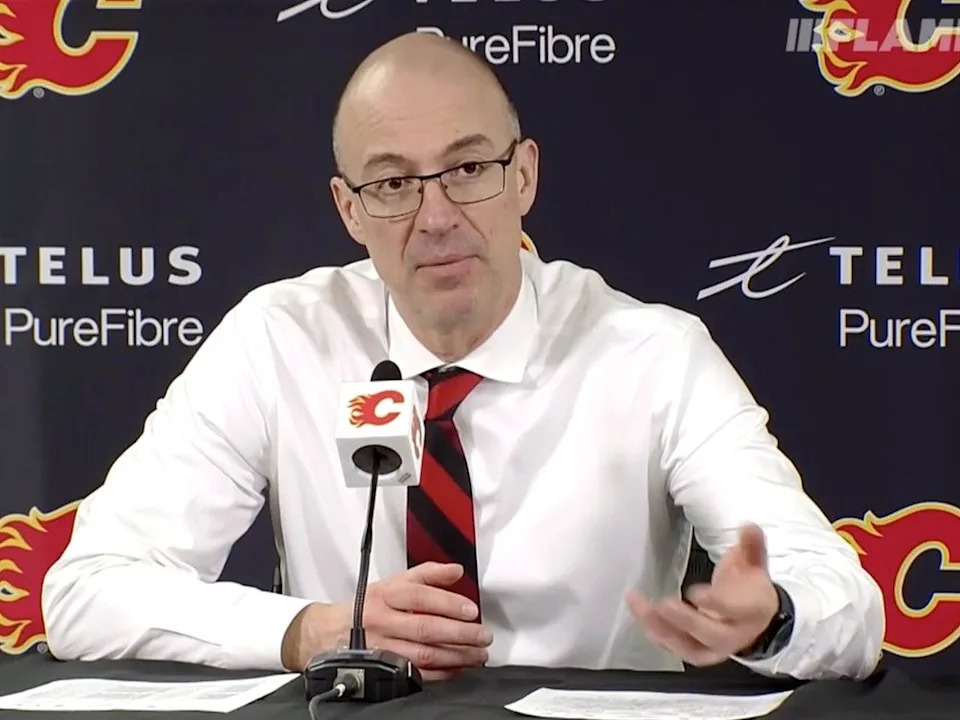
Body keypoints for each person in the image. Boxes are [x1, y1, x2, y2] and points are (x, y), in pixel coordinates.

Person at [41, 32, 884, 682]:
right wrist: (312, 631)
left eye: (469, 168)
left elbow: (849, 608)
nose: (437, 216)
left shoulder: (654, 356)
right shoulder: (279, 338)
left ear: (525, 177)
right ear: (348, 210)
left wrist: (773, 619)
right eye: (392, 184)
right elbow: (83, 592)